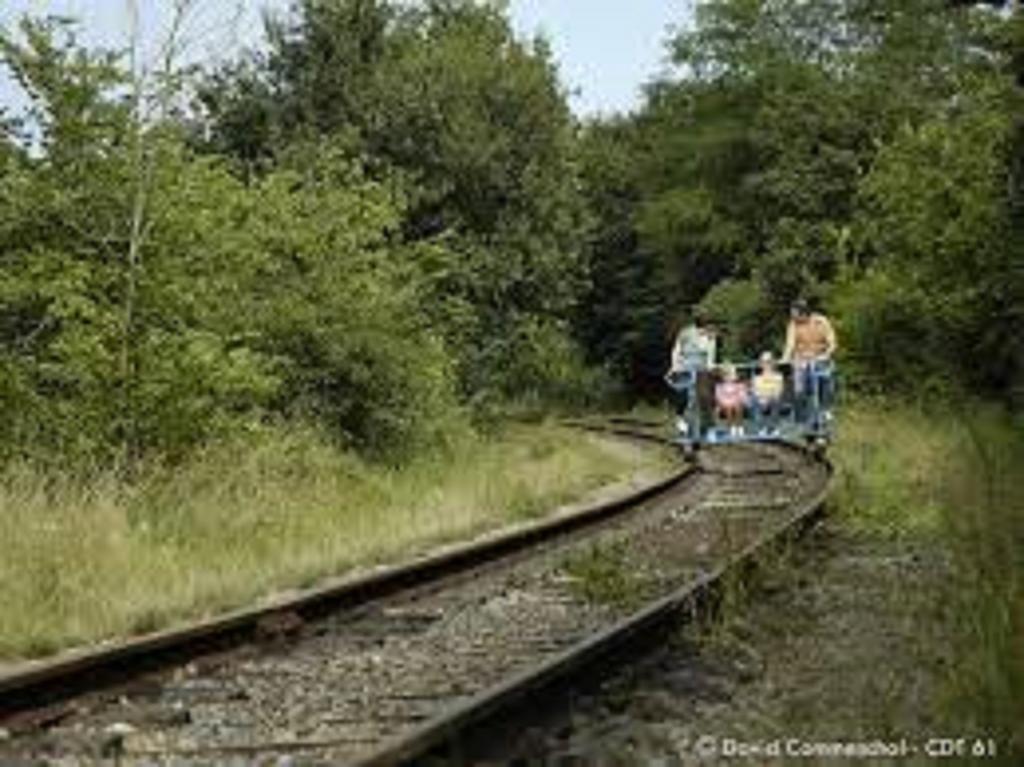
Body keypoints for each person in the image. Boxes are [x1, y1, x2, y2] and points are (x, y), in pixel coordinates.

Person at [782, 299, 837, 426]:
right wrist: (785, 359)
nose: (793, 318)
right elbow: (790, 344)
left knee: (826, 378)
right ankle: (801, 417)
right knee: (799, 388)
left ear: (804, 314)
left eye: (795, 315)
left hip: (820, 358)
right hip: (801, 359)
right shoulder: (793, 325)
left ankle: (825, 409)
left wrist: (826, 354)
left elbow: (832, 342)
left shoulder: (821, 321)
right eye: (792, 315)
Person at [666, 310, 717, 437]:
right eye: (704, 327)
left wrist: (710, 366)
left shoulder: (711, 335)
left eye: (707, 327)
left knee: (705, 396)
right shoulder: (685, 333)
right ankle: (680, 420)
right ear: (697, 325)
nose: (706, 330)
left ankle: (707, 427)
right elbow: (677, 350)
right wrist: (675, 366)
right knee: (682, 395)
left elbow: (710, 353)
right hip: (684, 367)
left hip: (701, 368)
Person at [751, 351, 785, 434]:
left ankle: (774, 427)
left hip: (772, 399)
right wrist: (762, 398)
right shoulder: (757, 378)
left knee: (776, 401)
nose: (767, 364)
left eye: (769, 362)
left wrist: (769, 397)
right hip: (761, 400)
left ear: (773, 363)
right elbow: (755, 391)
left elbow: (778, 390)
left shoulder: (778, 376)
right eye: (764, 362)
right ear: (761, 364)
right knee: (755, 401)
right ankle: (761, 427)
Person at [714, 363, 749, 437]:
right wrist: (723, 403)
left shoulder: (739, 384)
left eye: (730, 375)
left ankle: (739, 426)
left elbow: (742, 395)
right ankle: (731, 427)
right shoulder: (720, 385)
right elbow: (718, 396)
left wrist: (740, 401)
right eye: (726, 375)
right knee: (728, 408)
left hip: (736, 402)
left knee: (738, 407)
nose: (729, 377)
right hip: (725, 403)